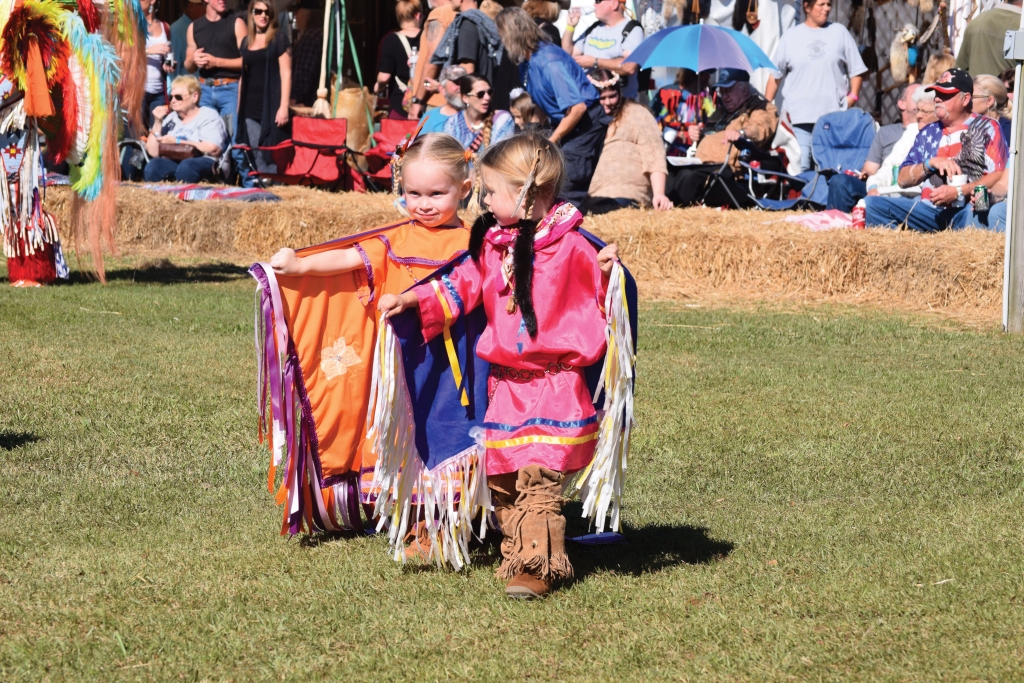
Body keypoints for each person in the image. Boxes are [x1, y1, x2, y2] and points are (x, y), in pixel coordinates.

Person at [376, 133, 623, 599]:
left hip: (555, 384)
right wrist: (413, 298)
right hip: (505, 388)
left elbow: (603, 299)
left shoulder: (573, 247)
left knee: (538, 477)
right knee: (505, 479)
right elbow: (463, 283)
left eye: (490, 192)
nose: (484, 199)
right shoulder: (493, 245)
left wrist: (608, 272)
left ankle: (539, 567)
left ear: (529, 194)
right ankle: (517, 552)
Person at [253, 133, 473, 539]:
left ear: (465, 189)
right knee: (401, 432)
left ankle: (440, 523)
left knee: (443, 433)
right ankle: (407, 512)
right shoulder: (397, 238)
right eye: (413, 193)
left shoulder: (473, 244)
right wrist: (298, 266)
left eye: (436, 194)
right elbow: (348, 258)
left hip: (449, 370)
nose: (423, 204)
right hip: (397, 372)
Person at [865, 69, 1007, 232]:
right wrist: (930, 163)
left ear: (966, 98)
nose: (938, 99)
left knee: (981, 213)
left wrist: (959, 191)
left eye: (945, 95)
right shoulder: (928, 132)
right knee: (872, 205)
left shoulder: (987, 127)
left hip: (966, 210)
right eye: (936, 93)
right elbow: (903, 179)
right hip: (928, 211)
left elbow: (998, 173)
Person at [496, 7, 607, 208]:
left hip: (585, 122)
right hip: (563, 120)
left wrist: (551, 141)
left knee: (566, 178)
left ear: (513, 34)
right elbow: (539, 101)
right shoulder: (526, 63)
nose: (501, 40)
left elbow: (578, 108)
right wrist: (533, 135)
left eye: (502, 34)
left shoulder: (549, 61)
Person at [764, 0, 867, 172]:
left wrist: (853, 97)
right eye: (821, 4)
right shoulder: (790, 37)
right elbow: (775, 77)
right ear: (806, 6)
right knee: (799, 169)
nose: (827, 8)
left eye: (829, 4)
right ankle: (802, 200)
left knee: (829, 170)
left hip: (832, 118)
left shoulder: (839, 32)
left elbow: (857, 69)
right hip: (797, 118)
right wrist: (766, 107)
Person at [664, 67, 779, 208]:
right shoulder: (721, 111)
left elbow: (761, 128)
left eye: (728, 90)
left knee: (688, 176)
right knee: (670, 170)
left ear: (744, 89)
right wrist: (698, 134)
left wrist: (742, 133)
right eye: (722, 92)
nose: (724, 96)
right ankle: (663, 209)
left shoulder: (761, 108)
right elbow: (708, 133)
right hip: (700, 163)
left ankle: (674, 213)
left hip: (729, 171)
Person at [587, 69, 672, 213]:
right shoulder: (586, 119)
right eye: (602, 98)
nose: (608, 102)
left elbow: (654, 154)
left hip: (628, 197)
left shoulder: (637, 114)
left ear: (620, 92)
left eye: (612, 96)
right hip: (591, 198)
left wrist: (659, 193)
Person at [826, 83, 920, 213]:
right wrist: (868, 176)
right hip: (881, 186)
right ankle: (837, 224)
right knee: (839, 181)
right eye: (918, 95)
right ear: (902, 104)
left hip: (913, 187)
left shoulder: (932, 131)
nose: (923, 99)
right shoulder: (885, 132)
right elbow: (869, 170)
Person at [425, 0, 522, 112]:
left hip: (475, 104)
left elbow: (467, 71)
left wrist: (441, 86)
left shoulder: (467, 23)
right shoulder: (483, 21)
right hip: (487, 98)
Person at [234, 0, 291, 186]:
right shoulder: (246, 42)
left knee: (270, 149)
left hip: (271, 103)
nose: (263, 15)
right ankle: (262, 186)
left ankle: (275, 187)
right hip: (250, 105)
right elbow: (244, 75)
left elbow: (286, 73)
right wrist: (238, 106)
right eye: (258, 11)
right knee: (255, 149)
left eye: (267, 12)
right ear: (251, 14)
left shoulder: (279, 39)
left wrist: (283, 106)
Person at [143, 75, 230, 183]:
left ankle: (187, 197)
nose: (173, 101)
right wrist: (157, 122)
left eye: (178, 97)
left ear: (194, 97)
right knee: (153, 167)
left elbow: (212, 148)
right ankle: (160, 197)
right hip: (175, 161)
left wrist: (177, 142)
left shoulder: (208, 115)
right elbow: (153, 152)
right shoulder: (171, 118)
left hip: (205, 160)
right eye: (171, 97)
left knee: (187, 167)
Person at [862, 87, 937, 198]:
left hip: (923, 197)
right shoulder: (912, 132)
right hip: (898, 195)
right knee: (870, 203)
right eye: (918, 110)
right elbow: (890, 166)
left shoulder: (942, 136)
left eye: (924, 111)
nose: (918, 115)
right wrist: (874, 185)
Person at [562, 0, 645, 100]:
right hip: (591, 101)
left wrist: (595, 62)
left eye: (598, 1)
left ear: (614, 4)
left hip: (620, 104)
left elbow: (629, 66)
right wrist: (570, 27)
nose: (594, 4)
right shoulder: (593, 28)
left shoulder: (632, 29)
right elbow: (568, 54)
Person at [185, 0, 247, 132]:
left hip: (230, 90)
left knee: (234, 141)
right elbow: (189, 66)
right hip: (204, 92)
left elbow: (247, 62)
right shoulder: (194, 27)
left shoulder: (237, 23)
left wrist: (216, 62)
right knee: (208, 140)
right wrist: (193, 59)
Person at [406, 0, 460, 118]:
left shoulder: (439, 15)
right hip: (458, 99)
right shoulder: (463, 12)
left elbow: (433, 61)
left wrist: (418, 101)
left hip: (436, 103)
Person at [443, 74, 515, 158]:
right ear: (465, 98)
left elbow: (499, 160)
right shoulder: (452, 123)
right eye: (480, 94)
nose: (487, 97)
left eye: (490, 92)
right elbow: (447, 157)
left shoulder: (502, 120)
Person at [651, 68, 715, 157]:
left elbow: (714, 127)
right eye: (704, 74)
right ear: (690, 74)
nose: (708, 77)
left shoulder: (707, 97)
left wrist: (701, 133)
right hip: (666, 154)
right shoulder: (666, 94)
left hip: (696, 156)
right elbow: (652, 124)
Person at [374, 0, 421, 119]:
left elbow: (384, 77)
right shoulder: (428, 37)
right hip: (424, 105)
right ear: (418, 15)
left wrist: (378, 87)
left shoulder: (390, 40)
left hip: (400, 107)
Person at [955, 0, 1022, 77]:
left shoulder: (978, 20)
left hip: (976, 86)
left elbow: (959, 70)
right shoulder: (1020, 25)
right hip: (1004, 87)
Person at [141, 0, 173, 131]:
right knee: (139, 135)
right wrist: (148, 51)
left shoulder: (165, 27)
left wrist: (169, 63)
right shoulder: (133, 26)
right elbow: (124, 54)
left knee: (158, 132)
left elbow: (169, 52)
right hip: (139, 91)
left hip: (159, 91)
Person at [289, 0, 324, 107]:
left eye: (297, 11)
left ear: (306, 14)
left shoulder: (310, 37)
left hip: (307, 103)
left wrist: (293, 98)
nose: (295, 15)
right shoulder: (321, 34)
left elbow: (304, 73)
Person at [418, 64, 468, 133]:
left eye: (464, 83)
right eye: (456, 83)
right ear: (442, 89)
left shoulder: (475, 113)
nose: (460, 87)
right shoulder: (430, 118)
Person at [972, 74, 1012, 146]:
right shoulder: (969, 125)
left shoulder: (1007, 132)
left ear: (989, 101)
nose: (966, 100)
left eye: (972, 97)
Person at [171, 0, 206, 80]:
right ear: (191, 7)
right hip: (186, 87)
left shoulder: (205, 26)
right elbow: (173, 64)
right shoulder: (176, 30)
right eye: (203, 4)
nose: (206, 8)